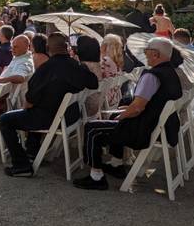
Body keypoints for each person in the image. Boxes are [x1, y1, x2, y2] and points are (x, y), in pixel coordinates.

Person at [73, 37, 183, 190]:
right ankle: (117, 164)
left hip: (142, 130)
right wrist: (124, 111)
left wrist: (123, 115)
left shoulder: (152, 76)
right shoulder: (170, 73)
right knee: (113, 116)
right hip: (161, 125)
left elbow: (138, 108)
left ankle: (96, 176)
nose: (145, 54)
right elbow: (148, 104)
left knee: (91, 127)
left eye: (147, 51)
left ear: (156, 54)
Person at [0, 32, 98, 177]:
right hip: (71, 116)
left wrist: (25, 109)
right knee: (33, 112)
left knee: (6, 120)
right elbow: (93, 83)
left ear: (47, 48)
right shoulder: (77, 65)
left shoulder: (46, 69)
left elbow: (30, 100)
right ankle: (32, 152)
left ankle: (21, 166)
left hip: (51, 119)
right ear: (66, 47)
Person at [75, 36, 106, 117]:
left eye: (78, 46)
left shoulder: (84, 66)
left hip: (86, 108)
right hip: (97, 105)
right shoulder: (97, 65)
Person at [99, 33, 125, 109]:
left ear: (105, 46)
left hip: (105, 101)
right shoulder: (117, 63)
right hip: (115, 99)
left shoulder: (105, 62)